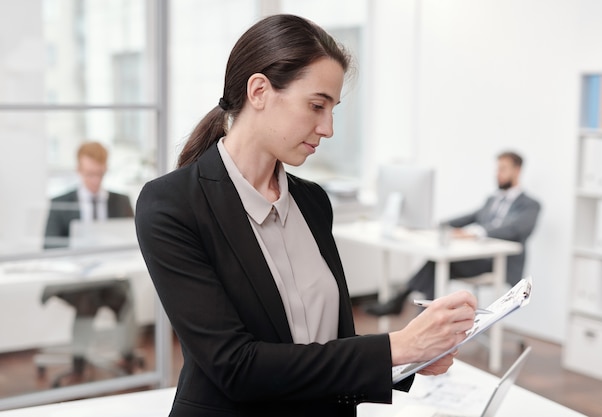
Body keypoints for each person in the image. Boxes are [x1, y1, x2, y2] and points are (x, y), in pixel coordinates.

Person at [135, 14, 478, 417]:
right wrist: (398, 346)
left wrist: (409, 360)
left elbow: (324, 344)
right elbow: (236, 366)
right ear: (259, 91)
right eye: (316, 106)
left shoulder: (313, 202)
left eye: (332, 109)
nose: (328, 128)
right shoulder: (171, 206)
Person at [365, 151, 541, 317]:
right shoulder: (493, 199)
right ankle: (419, 315)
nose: (498, 173)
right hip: (477, 257)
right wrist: (437, 225)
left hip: (498, 262)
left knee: (437, 265)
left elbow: (514, 229)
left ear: (517, 171)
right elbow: (472, 216)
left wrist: (476, 233)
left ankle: (404, 303)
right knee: (436, 264)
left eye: (503, 169)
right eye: (497, 169)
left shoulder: (530, 205)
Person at [43, 141, 134, 249]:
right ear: (79, 170)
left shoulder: (122, 202)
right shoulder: (60, 204)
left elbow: (131, 240)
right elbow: (49, 247)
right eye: (90, 174)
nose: (96, 180)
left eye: (100, 173)